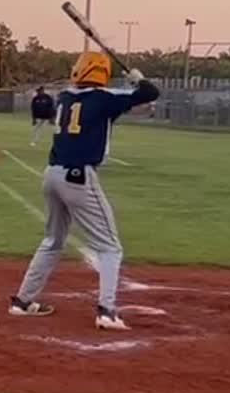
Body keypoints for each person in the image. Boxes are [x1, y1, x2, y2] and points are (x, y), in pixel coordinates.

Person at [10, 52, 160, 330]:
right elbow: (151, 93)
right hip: (79, 176)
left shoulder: (66, 97)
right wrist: (137, 79)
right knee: (110, 247)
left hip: (52, 174)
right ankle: (106, 311)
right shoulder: (104, 98)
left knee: (52, 241)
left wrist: (131, 85)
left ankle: (22, 301)